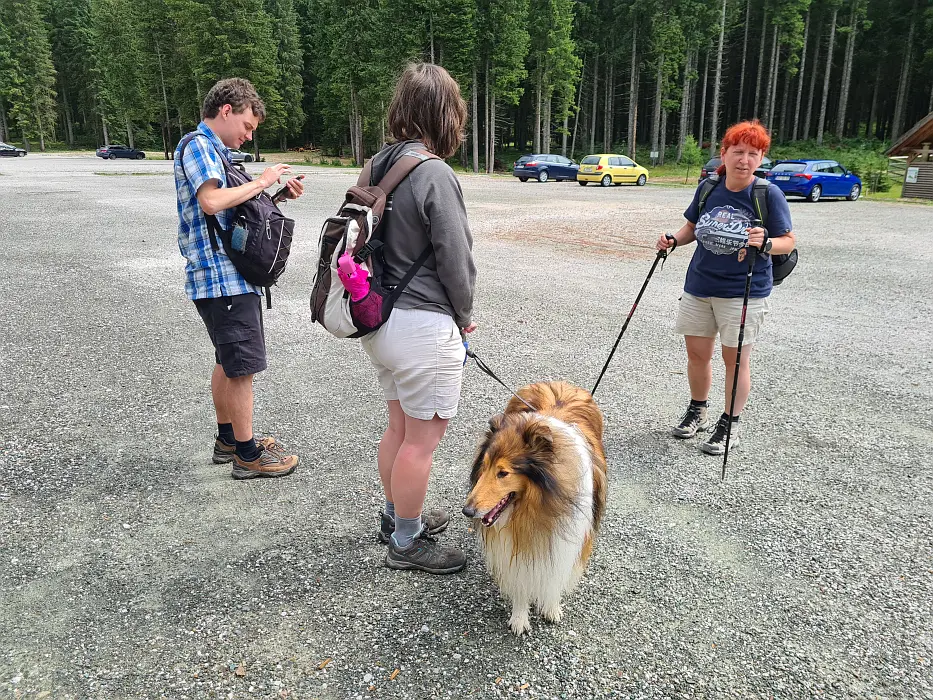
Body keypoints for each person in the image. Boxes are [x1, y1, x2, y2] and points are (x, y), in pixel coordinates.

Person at [360, 63, 476, 574]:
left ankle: (395, 516)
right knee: (421, 442)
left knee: (399, 428)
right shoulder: (433, 173)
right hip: (423, 327)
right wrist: (465, 314)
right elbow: (456, 257)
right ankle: (406, 543)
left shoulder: (376, 165)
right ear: (444, 114)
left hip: (379, 321)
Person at [175, 78, 305, 479]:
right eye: (247, 126)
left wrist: (276, 196)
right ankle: (248, 456)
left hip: (225, 277)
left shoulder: (217, 152)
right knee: (242, 367)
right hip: (220, 277)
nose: (248, 135)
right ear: (226, 110)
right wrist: (263, 181)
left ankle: (228, 439)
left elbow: (236, 215)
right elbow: (212, 202)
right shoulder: (199, 145)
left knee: (227, 360)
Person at [656, 120, 795, 455]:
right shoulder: (708, 188)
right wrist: (674, 239)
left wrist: (766, 243)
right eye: (738, 152)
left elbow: (788, 242)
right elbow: (692, 226)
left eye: (752, 153)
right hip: (699, 286)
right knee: (697, 355)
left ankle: (729, 423)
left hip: (744, 292)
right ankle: (697, 410)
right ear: (724, 153)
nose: (744, 159)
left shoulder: (767, 194)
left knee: (735, 361)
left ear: (761, 158)